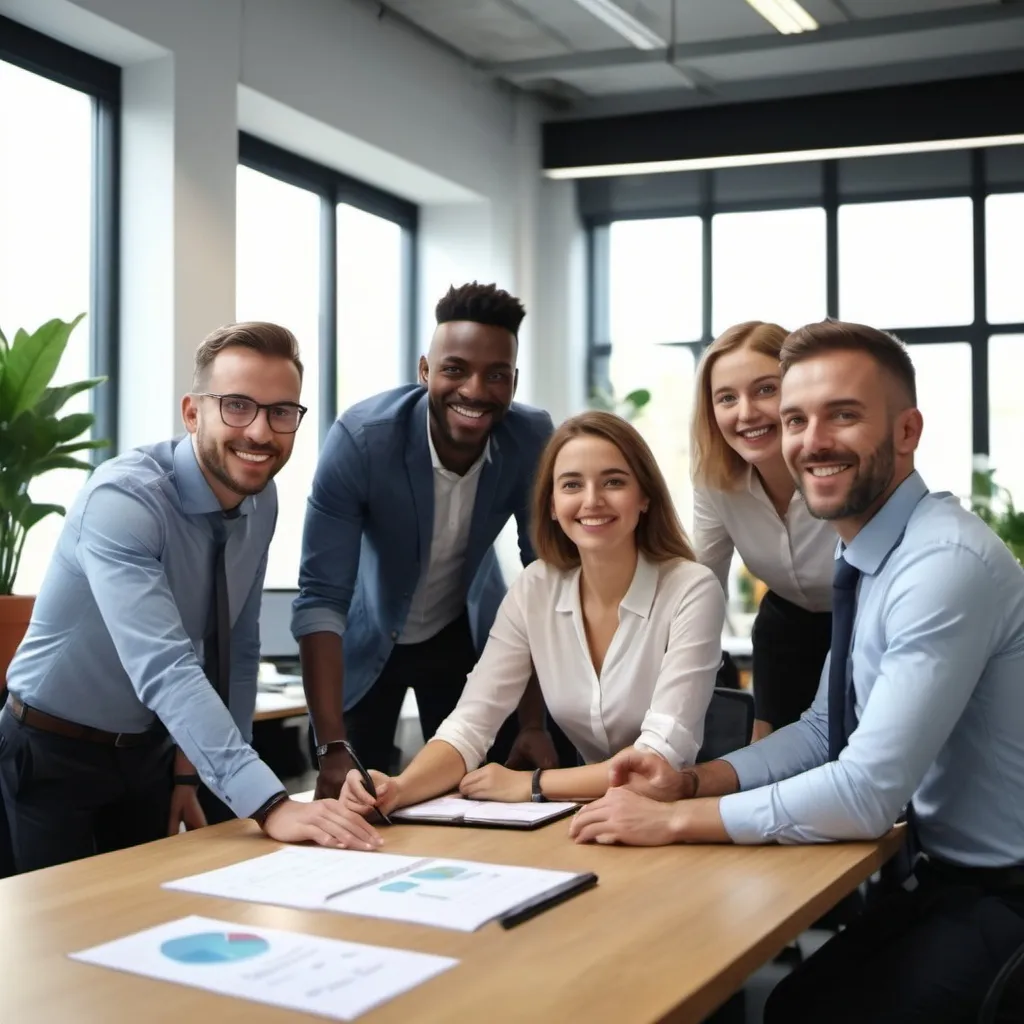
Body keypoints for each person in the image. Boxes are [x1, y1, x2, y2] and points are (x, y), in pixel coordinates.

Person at [569, 320, 1024, 1023]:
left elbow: (867, 791)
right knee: (789, 1002)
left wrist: (679, 822)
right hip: (941, 877)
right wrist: (689, 781)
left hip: (1004, 890)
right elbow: (821, 730)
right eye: (796, 420)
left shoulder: (942, 566)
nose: (812, 440)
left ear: (907, 432)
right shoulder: (869, 555)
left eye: (843, 414)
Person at [0, 323, 382, 874]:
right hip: (52, 752)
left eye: (281, 412)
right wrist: (269, 803)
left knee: (147, 928)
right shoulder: (124, 499)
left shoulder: (262, 499)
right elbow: (165, 664)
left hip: (149, 755)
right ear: (192, 413)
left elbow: (236, 645)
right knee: (51, 945)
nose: (259, 431)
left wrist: (195, 775)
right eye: (236, 405)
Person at [340, 410, 725, 817]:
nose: (592, 500)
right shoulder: (536, 587)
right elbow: (471, 724)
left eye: (613, 481)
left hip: (681, 820)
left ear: (644, 497)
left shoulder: (691, 589)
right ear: (553, 506)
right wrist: (398, 789)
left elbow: (656, 762)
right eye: (572, 484)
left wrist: (531, 784)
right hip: (593, 817)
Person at [293, 282, 565, 799]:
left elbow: (544, 581)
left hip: (461, 634)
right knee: (356, 799)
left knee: (480, 793)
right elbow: (321, 599)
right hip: (365, 635)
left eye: (496, 375)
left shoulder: (531, 438)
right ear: (424, 371)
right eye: (455, 369)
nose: (475, 390)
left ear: (513, 381)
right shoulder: (362, 439)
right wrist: (330, 746)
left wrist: (533, 722)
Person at [692, 321, 835, 739]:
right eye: (727, 398)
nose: (746, 412)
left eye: (765, 390)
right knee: (768, 755)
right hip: (785, 629)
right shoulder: (714, 481)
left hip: (864, 623)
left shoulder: (837, 466)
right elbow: (703, 584)